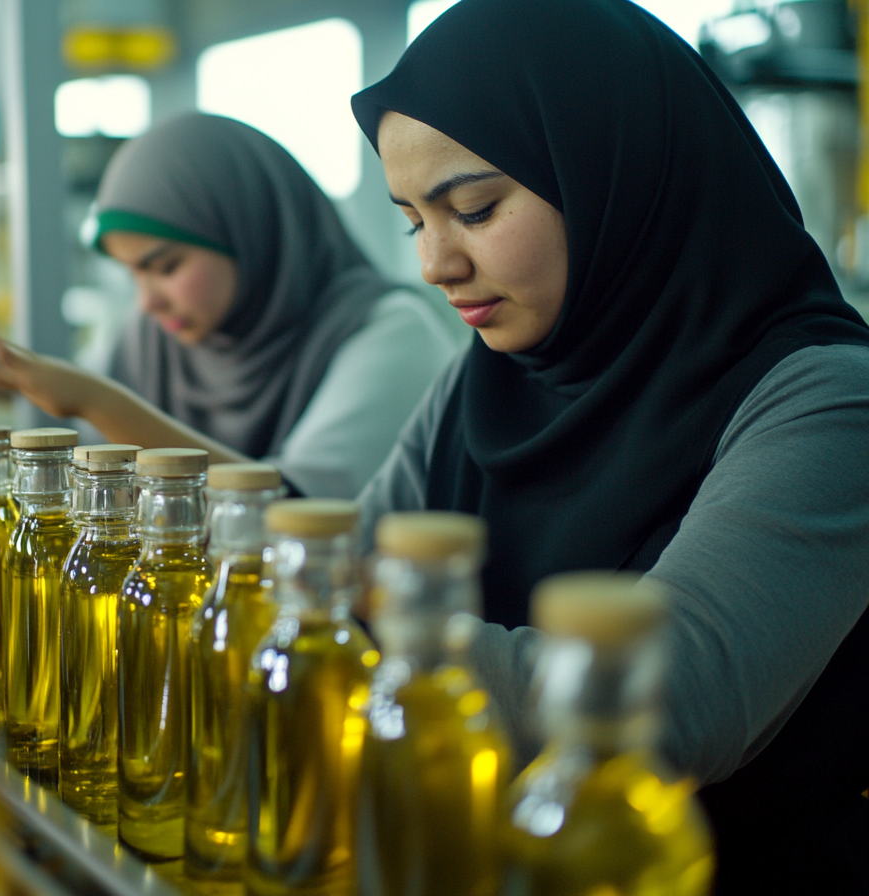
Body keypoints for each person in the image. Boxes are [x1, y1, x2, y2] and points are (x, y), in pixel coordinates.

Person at [351, 0, 869, 891]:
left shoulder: (827, 400)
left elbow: (667, 704)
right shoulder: (489, 380)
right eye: (413, 221)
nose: (435, 263)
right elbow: (351, 566)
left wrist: (330, 612)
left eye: (472, 210)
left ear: (610, 172)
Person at [0, 113, 457, 498]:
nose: (147, 299)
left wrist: (93, 399)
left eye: (166, 266)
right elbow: (73, 465)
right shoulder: (151, 337)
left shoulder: (389, 333)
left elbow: (291, 514)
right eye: (131, 272)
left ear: (250, 233)